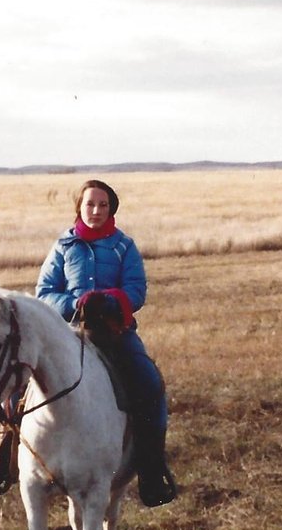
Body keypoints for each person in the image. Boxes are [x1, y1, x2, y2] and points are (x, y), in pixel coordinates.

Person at [36, 178, 177, 507]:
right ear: (79, 207)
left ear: (111, 208)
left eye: (103, 205)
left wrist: (110, 302)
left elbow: (136, 290)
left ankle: (152, 471)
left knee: (150, 384)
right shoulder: (63, 246)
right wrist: (75, 304)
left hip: (115, 334)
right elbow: (44, 293)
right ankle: (5, 458)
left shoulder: (123, 246)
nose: (96, 211)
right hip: (69, 334)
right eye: (90, 204)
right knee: (19, 383)